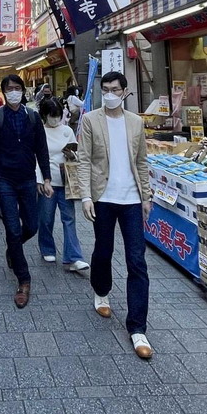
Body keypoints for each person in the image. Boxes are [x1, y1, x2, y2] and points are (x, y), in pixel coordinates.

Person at [77, 70, 153, 360]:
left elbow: (142, 161)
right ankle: (101, 290)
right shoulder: (91, 119)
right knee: (103, 251)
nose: (109, 94)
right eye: (105, 89)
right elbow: (83, 159)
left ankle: (137, 328)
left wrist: (146, 196)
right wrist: (85, 195)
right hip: (103, 197)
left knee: (137, 260)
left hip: (131, 199)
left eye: (114, 89)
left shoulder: (135, 123)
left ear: (124, 92)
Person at [0, 74, 52, 309]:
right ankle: (24, 280)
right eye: (9, 88)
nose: (14, 91)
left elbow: (41, 149)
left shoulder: (32, 117)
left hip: (28, 179)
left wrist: (47, 178)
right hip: (4, 180)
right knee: (12, 228)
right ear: (3, 92)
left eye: (17, 88)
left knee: (31, 226)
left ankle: (13, 248)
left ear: (22, 91)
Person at [37, 97, 88, 273]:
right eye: (52, 116)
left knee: (69, 218)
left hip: (66, 181)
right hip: (47, 181)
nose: (55, 119)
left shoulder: (67, 131)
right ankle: (47, 248)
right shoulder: (39, 131)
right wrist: (40, 180)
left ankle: (74, 257)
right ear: (44, 115)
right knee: (46, 218)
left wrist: (72, 155)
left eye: (57, 115)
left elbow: (77, 154)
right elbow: (36, 158)